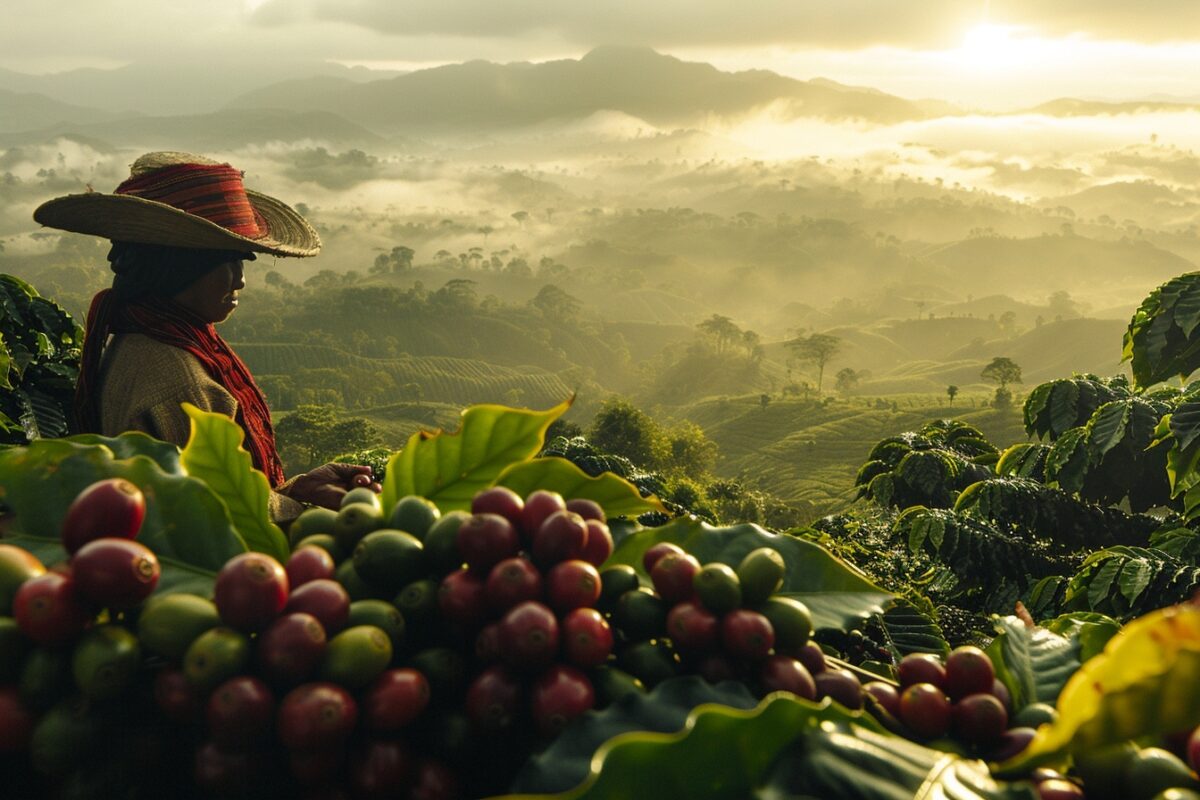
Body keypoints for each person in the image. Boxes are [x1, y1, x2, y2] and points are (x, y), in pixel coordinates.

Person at [32, 151, 376, 524]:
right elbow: (221, 515)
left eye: (242, 262)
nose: (239, 280)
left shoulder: (144, 341)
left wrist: (296, 491)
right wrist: (306, 511)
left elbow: (209, 489)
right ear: (178, 268)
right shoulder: (178, 382)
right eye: (228, 263)